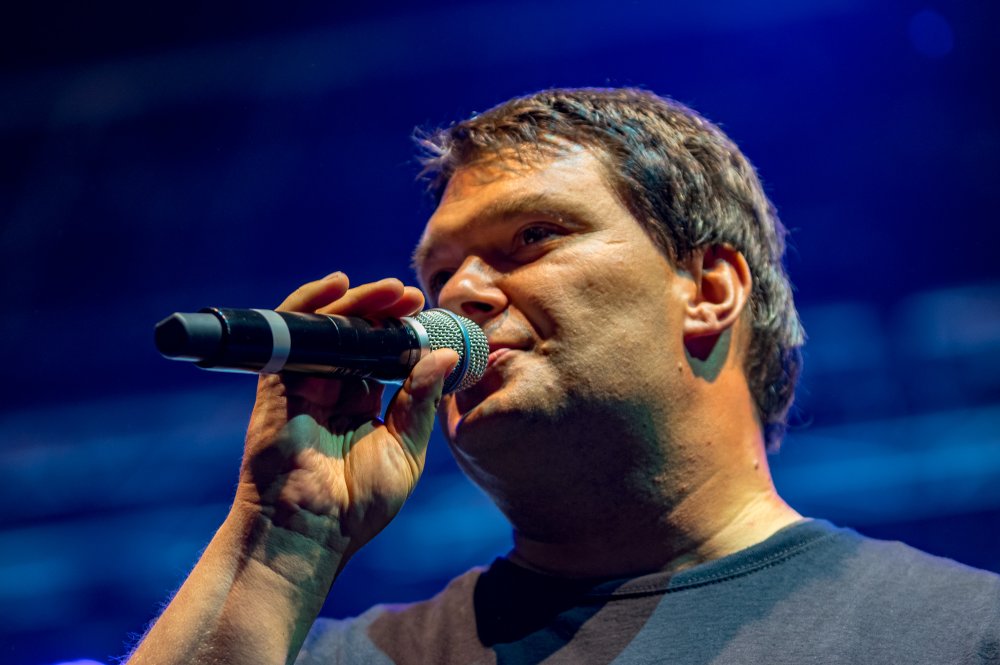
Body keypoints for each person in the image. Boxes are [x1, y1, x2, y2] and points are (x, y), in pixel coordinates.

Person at [127, 88, 999, 664]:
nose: (458, 294)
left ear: (708, 289)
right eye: (439, 274)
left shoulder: (955, 633)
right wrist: (281, 538)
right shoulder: (330, 654)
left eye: (531, 238)